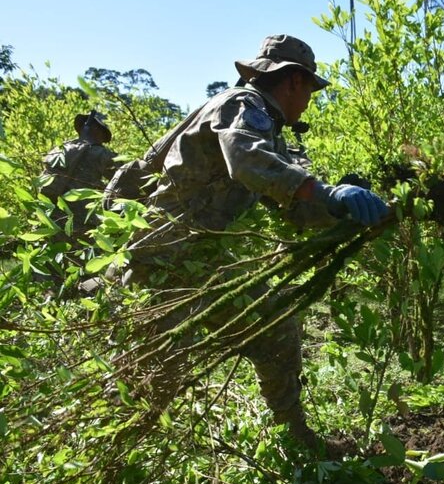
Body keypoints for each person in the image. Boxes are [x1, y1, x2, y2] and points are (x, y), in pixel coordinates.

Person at [108, 34, 389, 455]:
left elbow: (291, 208)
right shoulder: (242, 105)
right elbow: (246, 161)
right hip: (164, 256)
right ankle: (112, 461)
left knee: (274, 327)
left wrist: (341, 209)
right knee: (152, 374)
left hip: (198, 260)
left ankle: (295, 439)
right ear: (293, 82)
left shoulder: (268, 131)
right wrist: (324, 191)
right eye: (310, 90)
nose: (309, 101)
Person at [39, 110, 119, 240]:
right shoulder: (101, 154)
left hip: (50, 216)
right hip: (80, 222)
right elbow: (127, 176)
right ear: (98, 131)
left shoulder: (60, 148)